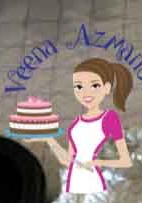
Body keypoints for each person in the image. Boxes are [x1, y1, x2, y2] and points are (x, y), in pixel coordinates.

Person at [43, 57, 133, 193]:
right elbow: (68, 161)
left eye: (94, 86)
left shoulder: (109, 118)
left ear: (106, 88)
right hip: (74, 182)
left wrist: (96, 162)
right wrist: (49, 139)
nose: (86, 93)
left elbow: (125, 161)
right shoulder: (76, 124)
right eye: (79, 86)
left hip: (94, 183)